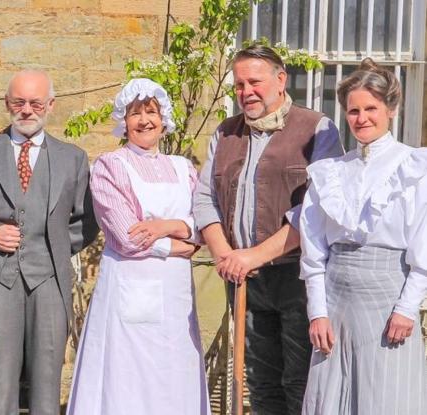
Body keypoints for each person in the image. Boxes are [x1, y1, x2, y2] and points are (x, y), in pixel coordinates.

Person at [192, 44, 344, 414]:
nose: (247, 92)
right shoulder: (225, 133)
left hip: (298, 276)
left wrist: (255, 255)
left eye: (255, 82)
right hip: (243, 279)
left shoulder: (317, 129)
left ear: (280, 80)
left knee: (299, 380)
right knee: (259, 382)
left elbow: (316, 210)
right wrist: (226, 255)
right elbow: (203, 199)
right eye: (239, 84)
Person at [0, 69, 99, 415]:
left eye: (35, 102)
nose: (27, 110)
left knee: (47, 383)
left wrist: (53, 247)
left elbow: (86, 220)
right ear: (7, 104)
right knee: (2, 386)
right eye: (19, 102)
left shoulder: (72, 158)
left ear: (50, 105)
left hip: (50, 282)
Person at [67, 78, 209, 414]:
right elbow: (126, 236)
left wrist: (167, 226)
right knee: (129, 375)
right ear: (124, 121)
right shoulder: (110, 167)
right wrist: (176, 246)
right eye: (135, 114)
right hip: (130, 287)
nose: (144, 120)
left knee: (174, 370)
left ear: (164, 119)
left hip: (175, 296)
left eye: (151, 112)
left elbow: (202, 224)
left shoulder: (184, 168)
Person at [299, 58, 427, 414]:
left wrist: (406, 309)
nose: (362, 118)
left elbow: (424, 250)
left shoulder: (414, 167)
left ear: (392, 109)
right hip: (336, 298)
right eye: (353, 110)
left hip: (387, 301)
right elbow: (313, 253)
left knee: (385, 395)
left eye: (371, 108)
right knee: (330, 396)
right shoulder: (330, 173)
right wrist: (318, 313)